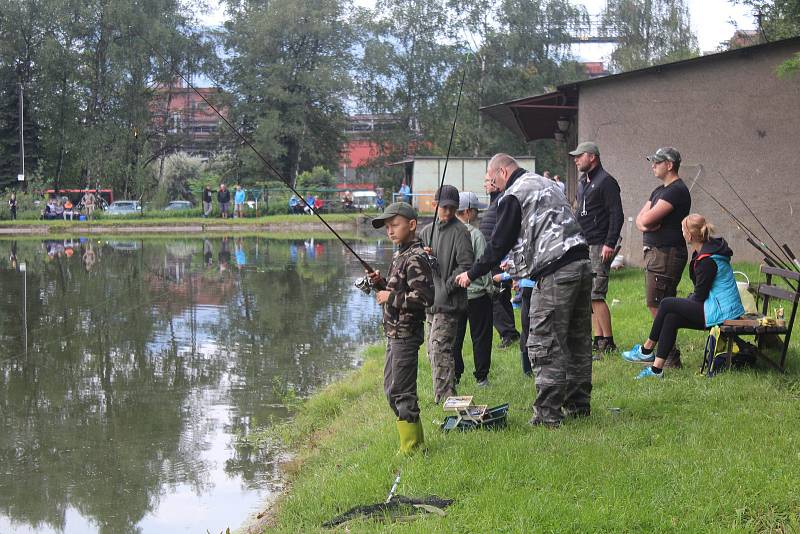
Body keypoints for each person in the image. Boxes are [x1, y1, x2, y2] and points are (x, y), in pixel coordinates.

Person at [456, 153, 592, 428]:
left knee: (545, 341)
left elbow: (498, 244)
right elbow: (537, 232)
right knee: (577, 339)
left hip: (555, 272)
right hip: (581, 263)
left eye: (492, 180)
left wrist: (472, 273)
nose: (493, 186)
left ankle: (547, 415)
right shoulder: (546, 184)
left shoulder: (514, 194)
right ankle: (578, 406)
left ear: (503, 172)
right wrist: (518, 267)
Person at [622, 214, 745, 379]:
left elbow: (699, 296)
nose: (681, 233)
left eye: (682, 230)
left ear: (689, 235)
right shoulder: (706, 250)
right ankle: (656, 370)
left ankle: (646, 350)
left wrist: (685, 303)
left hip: (722, 313)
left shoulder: (707, 260)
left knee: (666, 303)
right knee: (671, 317)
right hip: (719, 307)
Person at [367, 202, 434, 454]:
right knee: (391, 389)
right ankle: (412, 442)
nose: (390, 231)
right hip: (393, 334)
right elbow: (399, 290)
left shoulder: (416, 257)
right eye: (387, 227)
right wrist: (380, 284)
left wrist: (389, 297)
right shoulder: (400, 255)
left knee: (402, 392)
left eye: (394, 225)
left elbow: (426, 297)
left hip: (405, 334)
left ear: (412, 225)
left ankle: (413, 448)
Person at [635, 147, 691, 368]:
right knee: (657, 303)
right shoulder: (659, 190)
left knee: (658, 304)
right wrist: (644, 224)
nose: (653, 165)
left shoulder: (676, 191)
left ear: (669, 165)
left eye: (657, 162)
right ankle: (666, 353)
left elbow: (648, 220)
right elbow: (642, 219)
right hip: (657, 254)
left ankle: (669, 355)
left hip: (667, 254)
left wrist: (646, 224)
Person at [419, 184, 474, 403]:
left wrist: (446, 287)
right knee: (431, 352)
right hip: (429, 303)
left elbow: (467, 266)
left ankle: (445, 398)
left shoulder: (461, 232)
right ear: (435, 205)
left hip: (450, 303)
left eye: (452, 208)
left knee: (440, 348)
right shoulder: (425, 232)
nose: (449, 212)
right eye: (444, 207)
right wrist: (422, 256)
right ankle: (442, 395)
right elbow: (413, 264)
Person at [570, 141, 624, 357]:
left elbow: (616, 214)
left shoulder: (606, 181)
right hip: (583, 244)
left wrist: (609, 243)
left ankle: (609, 341)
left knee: (596, 294)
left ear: (592, 157)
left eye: (579, 156)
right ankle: (598, 339)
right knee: (588, 295)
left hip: (599, 244)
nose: (576, 159)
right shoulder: (584, 182)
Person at [452, 191, 493, 387]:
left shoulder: (447, 234)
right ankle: (481, 378)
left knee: (455, 338)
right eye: (476, 210)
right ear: (467, 211)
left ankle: (455, 375)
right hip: (477, 296)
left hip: (455, 296)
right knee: (481, 337)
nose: (477, 214)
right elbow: (484, 266)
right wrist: (491, 289)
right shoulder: (476, 234)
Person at [479, 159, 520, 348]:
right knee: (500, 296)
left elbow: (503, 233)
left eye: (489, 180)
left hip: (497, 258)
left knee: (495, 296)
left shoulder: (504, 199)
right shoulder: (496, 201)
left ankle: (508, 333)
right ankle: (509, 332)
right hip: (494, 256)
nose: (487, 184)